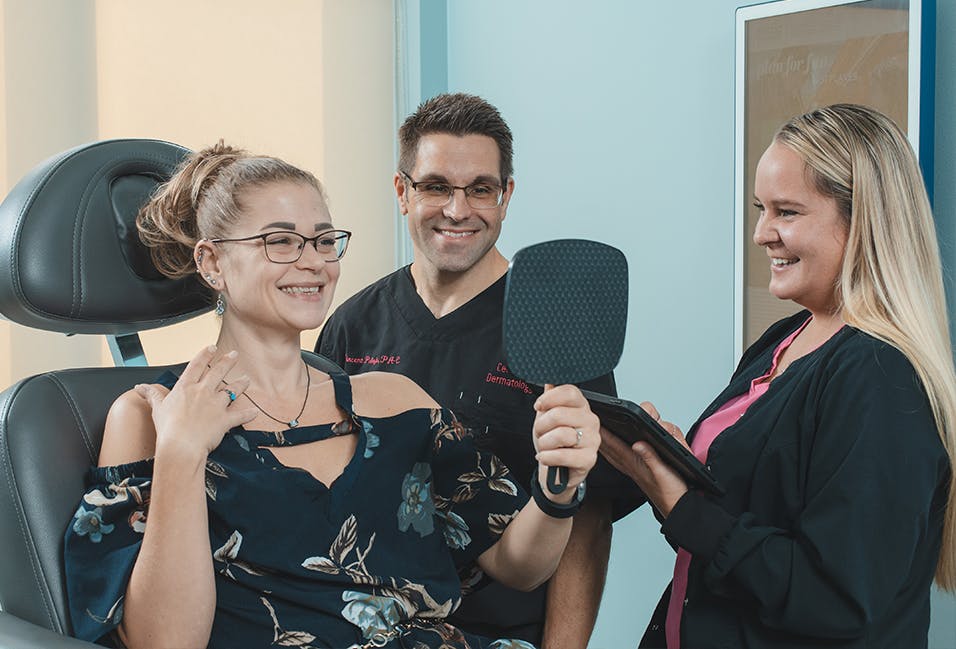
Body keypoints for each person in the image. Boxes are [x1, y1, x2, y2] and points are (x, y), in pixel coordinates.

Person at [62, 142, 603, 649]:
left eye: (324, 241)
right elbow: (165, 642)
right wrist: (182, 454)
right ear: (211, 263)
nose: (313, 261)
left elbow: (519, 566)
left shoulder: (395, 401)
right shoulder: (151, 416)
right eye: (280, 241)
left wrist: (559, 487)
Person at [601, 103, 956, 649]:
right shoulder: (786, 336)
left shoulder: (881, 376)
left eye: (786, 212)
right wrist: (667, 465)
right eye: (760, 208)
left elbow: (835, 601)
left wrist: (680, 502)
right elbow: (741, 524)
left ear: (863, 220)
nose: (762, 232)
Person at [316, 92, 636, 646]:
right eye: (436, 186)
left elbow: (586, 520)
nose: (458, 210)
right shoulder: (353, 326)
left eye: (480, 189)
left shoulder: (553, 323)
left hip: (501, 632)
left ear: (505, 196)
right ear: (402, 192)